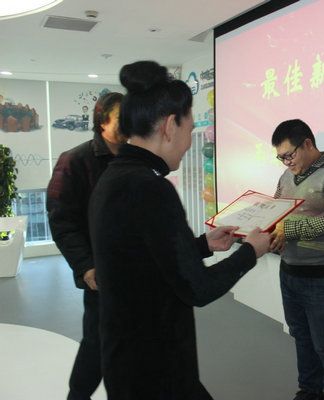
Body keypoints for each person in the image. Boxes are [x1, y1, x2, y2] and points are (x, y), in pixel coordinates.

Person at [88, 60, 271, 400]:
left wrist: (201, 245)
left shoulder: (114, 177)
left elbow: (144, 256)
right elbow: (197, 288)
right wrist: (251, 251)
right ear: (170, 126)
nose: (189, 143)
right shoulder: (150, 188)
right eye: (189, 128)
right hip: (157, 368)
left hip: (125, 358)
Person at [270, 119, 324, 400]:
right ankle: (309, 391)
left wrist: (288, 230)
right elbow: (275, 211)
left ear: (307, 144)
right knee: (302, 337)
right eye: (281, 158)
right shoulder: (287, 177)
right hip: (290, 272)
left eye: (289, 155)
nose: (286, 163)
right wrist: (268, 231)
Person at [46, 91, 125, 400]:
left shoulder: (136, 158)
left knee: (136, 344)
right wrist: (86, 265)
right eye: (120, 117)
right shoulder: (74, 160)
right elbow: (61, 220)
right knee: (97, 342)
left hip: (136, 272)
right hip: (100, 274)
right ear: (102, 121)